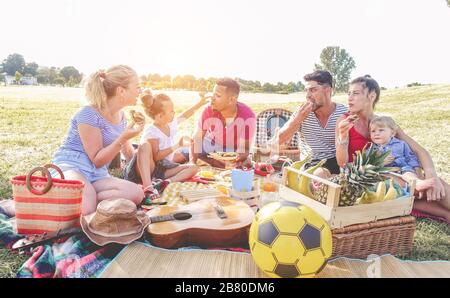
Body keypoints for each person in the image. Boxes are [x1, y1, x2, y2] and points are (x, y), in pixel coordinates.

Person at [336, 75, 449, 220]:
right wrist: (343, 135)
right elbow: (342, 162)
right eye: (349, 93)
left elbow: (419, 150)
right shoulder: (343, 121)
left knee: (436, 183)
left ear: (372, 96)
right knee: (414, 184)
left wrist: (430, 174)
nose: (349, 98)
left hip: (398, 175)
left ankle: (443, 210)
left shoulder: (384, 123)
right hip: (363, 178)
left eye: (355, 93)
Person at [51, 65, 145, 215]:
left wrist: (147, 175)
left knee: (137, 194)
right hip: (72, 166)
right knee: (87, 206)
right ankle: (85, 199)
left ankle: (84, 198)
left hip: (97, 174)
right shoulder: (88, 113)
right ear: (121, 91)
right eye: (137, 87)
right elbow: (97, 159)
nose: (140, 91)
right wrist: (123, 138)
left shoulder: (121, 116)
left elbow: (128, 153)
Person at [123, 90, 207, 195]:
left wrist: (200, 103)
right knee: (144, 146)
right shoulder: (152, 131)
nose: (174, 113)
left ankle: (165, 183)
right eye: (171, 111)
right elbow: (157, 157)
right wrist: (178, 145)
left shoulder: (170, 124)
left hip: (162, 170)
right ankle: (148, 187)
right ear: (160, 116)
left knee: (194, 167)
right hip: (146, 169)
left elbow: (185, 115)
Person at [277, 70, 347, 174]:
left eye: (313, 90)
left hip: (334, 163)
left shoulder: (343, 113)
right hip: (308, 164)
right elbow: (278, 140)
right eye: (306, 91)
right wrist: (298, 119)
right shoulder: (302, 112)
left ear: (328, 90)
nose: (308, 95)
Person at [191, 78, 256, 168]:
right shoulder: (209, 109)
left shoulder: (248, 116)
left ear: (232, 100)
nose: (212, 98)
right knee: (180, 155)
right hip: (210, 143)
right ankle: (211, 161)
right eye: (213, 94)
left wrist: (235, 159)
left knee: (244, 163)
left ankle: (211, 161)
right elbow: (197, 139)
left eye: (217, 96)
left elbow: (244, 149)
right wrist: (192, 163)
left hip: (232, 150)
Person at [370, 116, 423, 182]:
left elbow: (410, 157)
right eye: (373, 131)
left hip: (402, 169)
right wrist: (381, 162)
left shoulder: (401, 144)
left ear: (392, 133)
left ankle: (417, 183)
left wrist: (417, 169)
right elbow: (369, 165)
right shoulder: (372, 149)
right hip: (384, 172)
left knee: (408, 174)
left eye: (381, 130)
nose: (376, 133)